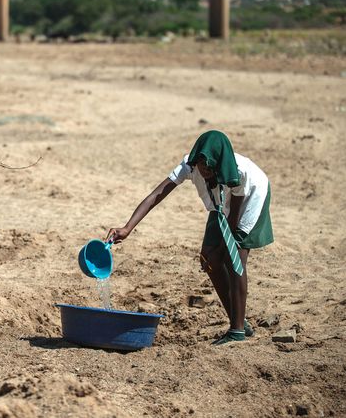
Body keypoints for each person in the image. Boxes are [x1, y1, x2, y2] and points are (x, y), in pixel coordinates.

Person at [106, 130, 273, 345]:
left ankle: (237, 331)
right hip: (220, 202)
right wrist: (127, 228)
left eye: (209, 168)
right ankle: (239, 320)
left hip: (249, 198)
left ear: (218, 164)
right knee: (208, 259)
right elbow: (157, 194)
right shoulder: (189, 164)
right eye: (201, 166)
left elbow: (232, 224)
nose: (204, 171)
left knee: (235, 258)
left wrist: (222, 249)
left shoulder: (239, 173)